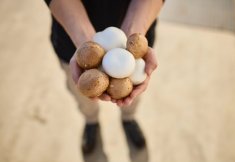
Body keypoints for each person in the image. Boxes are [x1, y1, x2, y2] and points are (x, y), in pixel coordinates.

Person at [43, 0, 164, 154]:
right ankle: (91, 122)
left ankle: (129, 119)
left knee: (132, 95)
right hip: (72, 40)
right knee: (84, 96)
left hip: (138, 28)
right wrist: (85, 44)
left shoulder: (133, 63)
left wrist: (134, 33)